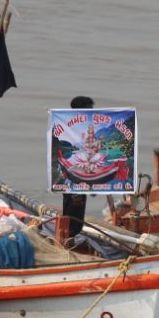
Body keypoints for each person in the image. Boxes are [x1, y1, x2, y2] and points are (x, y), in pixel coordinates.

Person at [58, 95, 94, 248]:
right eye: (90, 109)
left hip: (78, 177)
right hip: (73, 179)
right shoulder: (70, 130)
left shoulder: (76, 128)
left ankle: (69, 238)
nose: (92, 112)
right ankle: (68, 239)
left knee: (74, 209)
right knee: (74, 208)